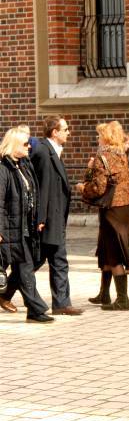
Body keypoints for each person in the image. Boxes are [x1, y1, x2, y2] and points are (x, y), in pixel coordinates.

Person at [77, 121, 129, 311]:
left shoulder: (102, 156)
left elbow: (98, 187)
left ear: (106, 137)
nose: (98, 138)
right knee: (106, 249)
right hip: (124, 208)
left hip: (110, 209)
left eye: (100, 135)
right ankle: (104, 293)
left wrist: (83, 187)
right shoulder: (124, 156)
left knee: (114, 252)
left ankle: (122, 299)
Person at [30, 116, 83, 316]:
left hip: (56, 217)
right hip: (49, 218)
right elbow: (41, 188)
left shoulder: (53, 151)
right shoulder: (43, 151)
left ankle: (61, 303)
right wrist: (40, 219)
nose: (68, 132)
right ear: (55, 132)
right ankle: (6, 291)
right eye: (65, 129)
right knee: (37, 261)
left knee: (56, 259)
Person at [0, 128, 53, 322]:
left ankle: (34, 310)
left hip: (25, 226)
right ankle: (36, 310)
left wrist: (38, 219)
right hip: (10, 228)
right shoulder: (3, 168)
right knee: (25, 267)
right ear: (14, 145)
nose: (29, 146)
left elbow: (33, 194)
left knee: (25, 267)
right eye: (25, 144)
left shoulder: (24, 165)